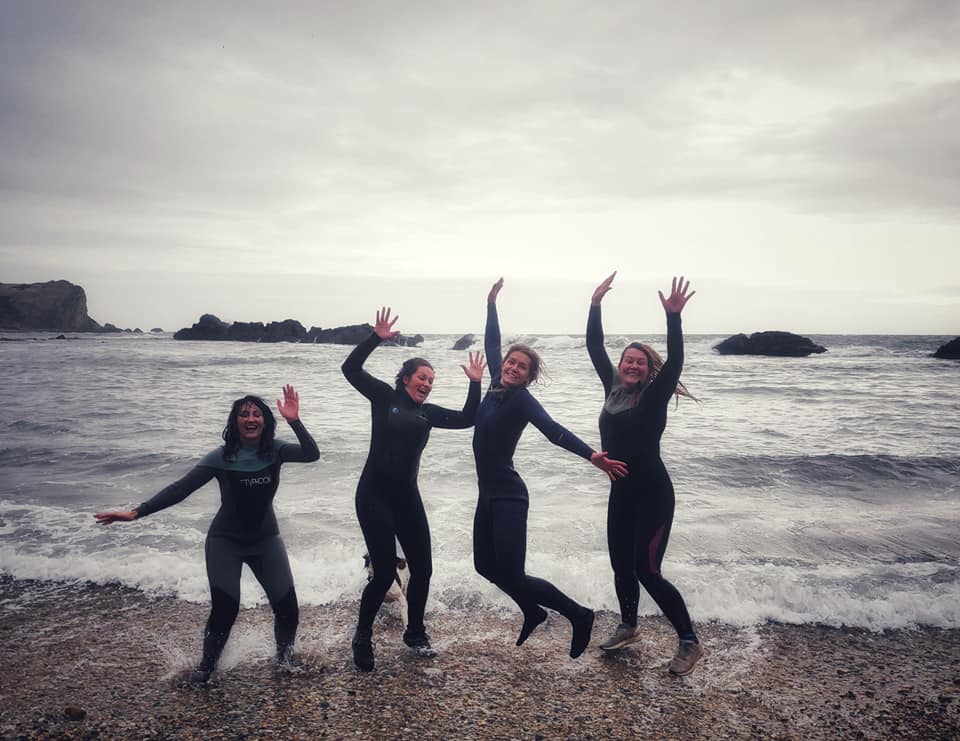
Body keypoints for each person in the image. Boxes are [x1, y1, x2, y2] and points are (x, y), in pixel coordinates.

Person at [94, 385, 320, 683]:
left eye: (256, 414)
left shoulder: (276, 451)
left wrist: (294, 420)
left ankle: (285, 661)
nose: (250, 418)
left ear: (265, 421)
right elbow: (181, 489)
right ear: (234, 422)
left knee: (287, 607)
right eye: (243, 414)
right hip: (225, 542)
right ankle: (206, 668)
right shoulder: (221, 457)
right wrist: (138, 512)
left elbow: (311, 454)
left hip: (266, 539)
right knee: (226, 608)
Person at [472, 278, 627, 659]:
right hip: (488, 495)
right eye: (511, 362)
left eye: (521, 367)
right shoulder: (494, 382)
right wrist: (491, 303)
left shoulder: (522, 401)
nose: (512, 367)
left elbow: (554, 430)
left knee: (511, 573)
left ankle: (579, 614)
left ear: (528, 376)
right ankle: (532, 610)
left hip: (509, 496)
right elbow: (493, 342)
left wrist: (592, 455)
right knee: (483, 566)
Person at [342, 307, 485, 672]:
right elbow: (350, 369)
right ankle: (362, 635)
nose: (427, 384)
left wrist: (474, 382)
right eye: (422, 377)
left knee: (423, 569)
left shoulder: (429, 413)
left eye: (432, 380)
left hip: (406, 498)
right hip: (373, 496)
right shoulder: (383, 397)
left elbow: (468, 418)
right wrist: (376, 337)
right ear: (406, 378)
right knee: (386, 571)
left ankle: (415, 632)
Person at [586, 272, 702, 676]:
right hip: (621, 492)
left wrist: (673, 317)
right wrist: (595, 304)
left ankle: (689, 640)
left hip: (653, 493)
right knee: (621, 564)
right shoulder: (613, 389)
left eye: (639, 362)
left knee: (647, 570)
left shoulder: (653, 396)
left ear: (648, 369)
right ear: (620, 366)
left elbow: (677, 361)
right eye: (627, 361)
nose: (632, 365)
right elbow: (594, 346)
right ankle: (628, 626)